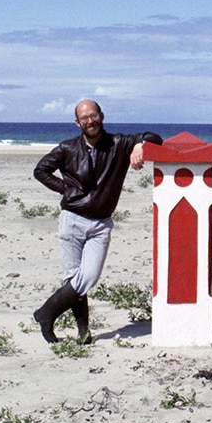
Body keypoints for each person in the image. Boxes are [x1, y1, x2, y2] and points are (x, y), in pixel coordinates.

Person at [31, 99, 162, 343]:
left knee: (88, 277)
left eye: (93, 115)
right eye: (85, 118)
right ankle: (83, 332)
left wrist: (139, 144)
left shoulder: (119, 144)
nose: (90, 121)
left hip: (100, 224)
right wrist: (65, 190)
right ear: (77, 123)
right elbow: (40, 171)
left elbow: (155, 137)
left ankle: (46, 312)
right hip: (71, 220)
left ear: (101, 115)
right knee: (74, 280)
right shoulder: (67, 148)